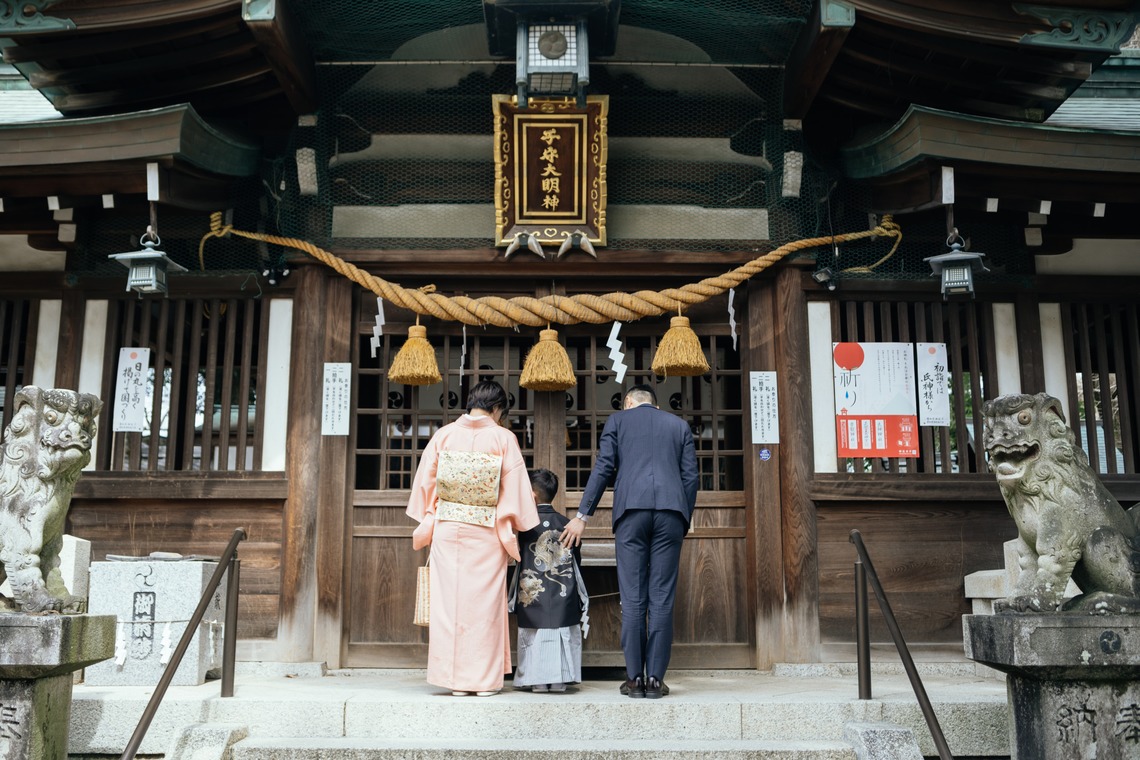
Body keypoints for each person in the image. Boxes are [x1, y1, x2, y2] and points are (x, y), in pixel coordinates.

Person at [560, 383, 698, 699]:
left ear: (628, 402)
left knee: (633, 597)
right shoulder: (678, 426)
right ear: (655, 405)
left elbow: (604, 468)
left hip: (631, 513)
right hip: (671, 513)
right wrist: (682, 516)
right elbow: (690, 477)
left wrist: (582, 515)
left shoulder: (618, 421)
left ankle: (635, 679)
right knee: (661, 597)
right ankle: (655, 680)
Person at [406, 380, 539, 696]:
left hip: (447, 527)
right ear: (497, 408)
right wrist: (515, 522)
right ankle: (481, 681)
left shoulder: (444, 435)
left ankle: (454, 681)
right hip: (485, 530)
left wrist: (436, 511)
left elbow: (425, 484)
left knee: (448, 606)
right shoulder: (503, 437)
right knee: (484, 607)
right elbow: (515, 489)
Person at [509, 468, 589, 693]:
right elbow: (576, 562)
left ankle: (536, 681)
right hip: (563, 595)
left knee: (534, 636)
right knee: (562, 633)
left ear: (532, 495)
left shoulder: (523, 527)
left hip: (532, 595)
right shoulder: (567, 524)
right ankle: (560, 680)